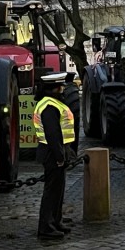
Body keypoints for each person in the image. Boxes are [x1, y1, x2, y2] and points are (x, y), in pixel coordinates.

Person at [33, 72, 77, 240]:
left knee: (58, 191)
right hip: (52, 152)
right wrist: (60, 156)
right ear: (54, 89)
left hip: (55, 151)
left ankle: (55, 222)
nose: (63, 90)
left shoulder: (51, 103)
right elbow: (53, 134)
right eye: (60, 87)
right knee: (52, 192)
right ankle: (46, 227)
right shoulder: (49, 106)